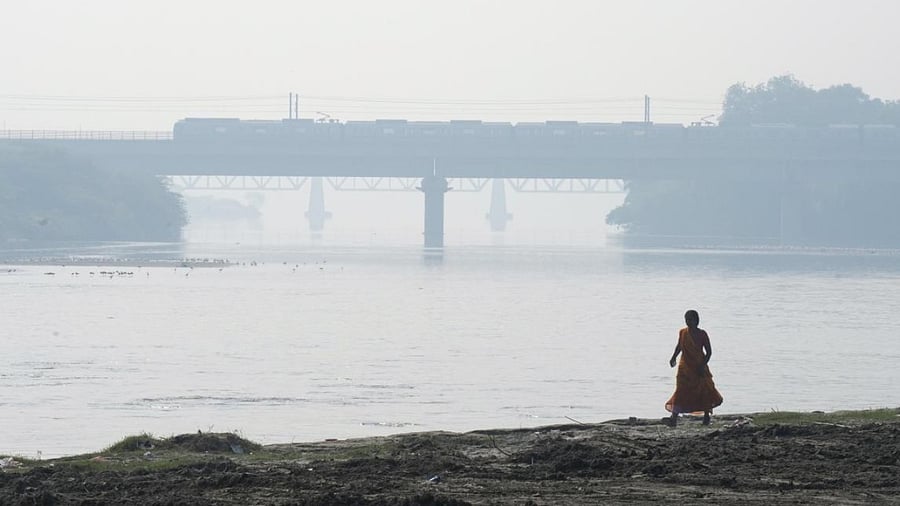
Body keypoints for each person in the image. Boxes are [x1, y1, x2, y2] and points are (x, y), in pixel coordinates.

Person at [665, 310, 723, 426]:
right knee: (681, 391)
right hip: (684, 368)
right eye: (686, 319)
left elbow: (709, 352)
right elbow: (679, 347)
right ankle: (674, 418)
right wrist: (673, 358)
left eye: (691, 319)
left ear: (697, 321)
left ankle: (706, 416)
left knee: (704, 390)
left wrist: (702, 366)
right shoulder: (683, 333)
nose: (688, 322)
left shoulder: (702, 334)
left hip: (698, 367)